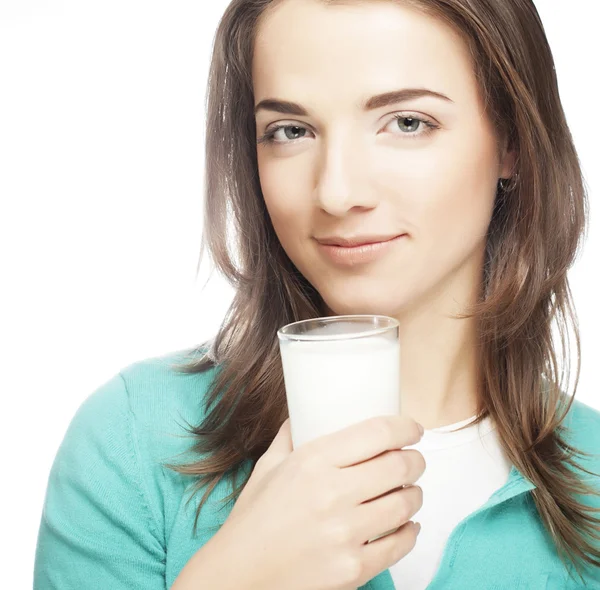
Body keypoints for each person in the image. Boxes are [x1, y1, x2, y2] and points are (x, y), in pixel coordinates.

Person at [34, 0, 600, 588]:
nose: (335, 192)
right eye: (290, 131)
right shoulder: (134, 442)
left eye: (407, 122)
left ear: (510, 141)